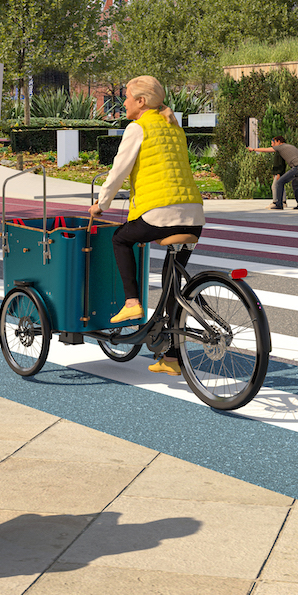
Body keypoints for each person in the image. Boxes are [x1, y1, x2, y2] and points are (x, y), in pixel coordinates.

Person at [88, 75, 205, 376]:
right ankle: (173, 357)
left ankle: (131, 302)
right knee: (172, 285)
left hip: (161, 212)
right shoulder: (172, 125)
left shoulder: (137, 127)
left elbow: (118, 170)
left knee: (120, 239)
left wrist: (102, 204)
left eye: (127, 96)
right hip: (193, 213)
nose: (123, 102)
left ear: (141, 102)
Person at [268, 135, 298, 210]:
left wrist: (254, 149)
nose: (272, 145)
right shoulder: (289, 146)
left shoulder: (281, 147)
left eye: (273, 142)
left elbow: (279, 162)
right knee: (295, 184)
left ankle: (279, 204)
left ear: (279, 142)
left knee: (279, 182)